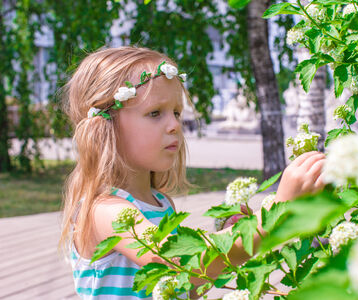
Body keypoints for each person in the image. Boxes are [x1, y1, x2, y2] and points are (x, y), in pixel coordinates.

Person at [59, 46, 326, 299]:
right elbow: (174, 261)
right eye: (155, 113)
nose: (174, 124)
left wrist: (234, 237)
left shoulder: (161, 203)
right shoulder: (104, 212)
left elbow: (185, 282)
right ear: (105, 127)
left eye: (176, 112)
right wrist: (272, 217)